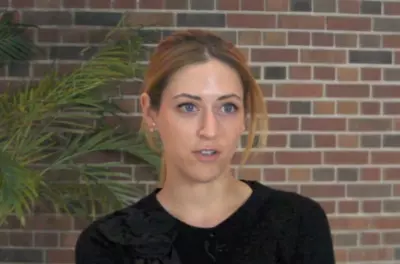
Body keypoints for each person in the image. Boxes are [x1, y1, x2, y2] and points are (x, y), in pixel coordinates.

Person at [75, 30, 336, 264]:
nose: (209, 130)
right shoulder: (108, 244)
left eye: (227, 107)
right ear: (150, 112)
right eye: (188, 107)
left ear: (244, 117)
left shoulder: (298, 222)